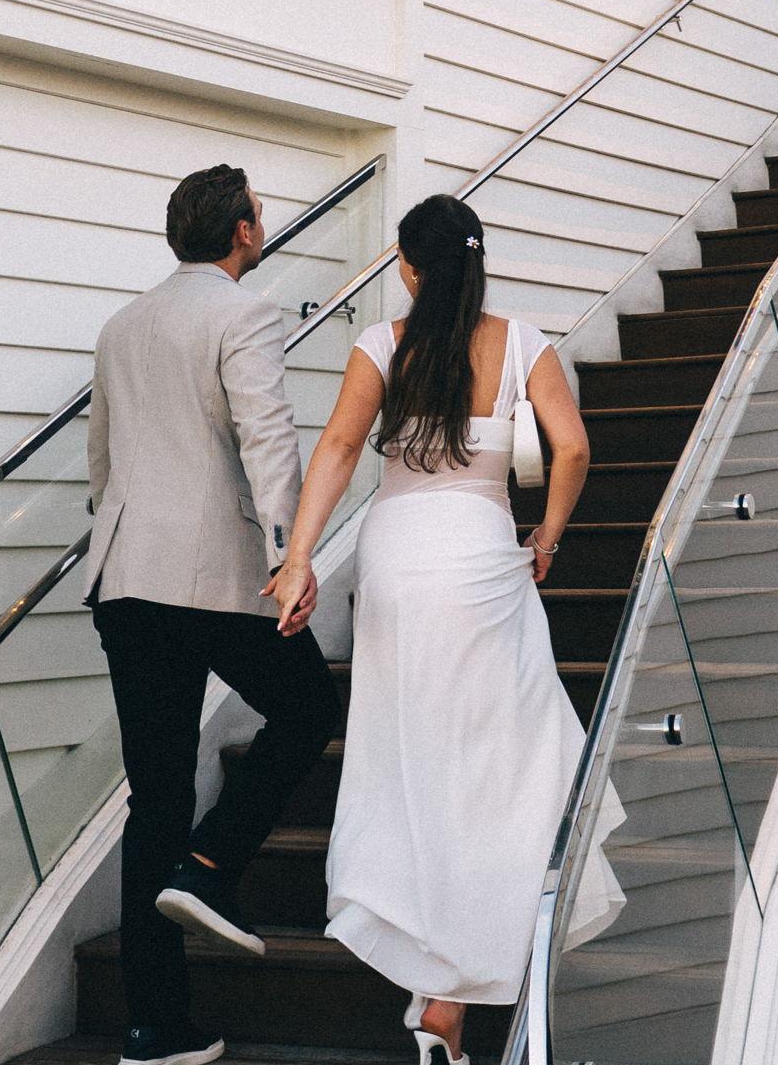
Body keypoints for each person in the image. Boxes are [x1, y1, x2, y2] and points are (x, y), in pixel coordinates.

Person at [268, 194, 623, 1065]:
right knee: (502, 766)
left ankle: (437, 989)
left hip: (398, 564)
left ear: (408, 267)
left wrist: (300, 558)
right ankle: (451, 991)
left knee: (410, 760)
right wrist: (548, 536)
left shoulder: (381, 345)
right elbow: (573, 448)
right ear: (477, 261)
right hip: (479, 562)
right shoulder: (524, 343)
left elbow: (338, 449)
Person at [88, 164, 342, 1065]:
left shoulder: (122, 325)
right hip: (211, 577)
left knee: (154, 798)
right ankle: (211, 864)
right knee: (309, 709)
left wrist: (120, 543)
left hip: (125, 578)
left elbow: (101, 460)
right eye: (259, 216)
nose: (262, 226)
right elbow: (267, 436)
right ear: (241, 231)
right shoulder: (245, 313)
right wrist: (289, 556)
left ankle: (154, 1029)